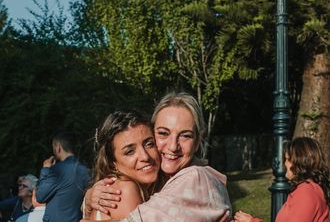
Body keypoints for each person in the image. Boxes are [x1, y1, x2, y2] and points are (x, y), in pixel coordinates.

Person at [84, 92, 232, 222]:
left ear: (199, 140)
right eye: (163, 133)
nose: (173, 146)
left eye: (185, 135)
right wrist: (89, 198)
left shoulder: (195, 177)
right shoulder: (126, 189)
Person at [234, 137, 330, 222]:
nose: (285, 164)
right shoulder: (312, 189)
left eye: (287, 159)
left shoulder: (306, 191)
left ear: (299, 162)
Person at [86, 110, 160, 220]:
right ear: (112, 162)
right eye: (130, 151)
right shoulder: (126, 189)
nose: (145, 156)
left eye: (149, 144)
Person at [35, 131, 91, 222]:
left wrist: (45, 169)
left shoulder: (57, 170)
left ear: (58, 147)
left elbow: (40, 196)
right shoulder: (86, 170)